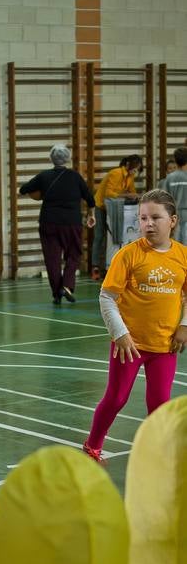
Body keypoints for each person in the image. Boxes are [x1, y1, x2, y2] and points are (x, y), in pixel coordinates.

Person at [83, 189, 187, 463]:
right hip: (129, 345)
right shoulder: (128, 255)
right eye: (143, 218)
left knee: (159, 403)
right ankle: (93, 445)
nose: (148, 223)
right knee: (116, 398)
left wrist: (184, 326)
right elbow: (107, 297)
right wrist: (120, 334)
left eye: (156, 217)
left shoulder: (183, 256)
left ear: (173, 220)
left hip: (165, 345)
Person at [19, 145, 95, 306]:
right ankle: (67, 285)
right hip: (72, 223)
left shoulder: (44, 176)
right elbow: (90, 198)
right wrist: (91, 215)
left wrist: (41, 192)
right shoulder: (75, 176)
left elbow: (23, 189)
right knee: (74, 254)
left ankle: (57, 293)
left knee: (52, 259)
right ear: (67, 158)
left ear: (51, 158)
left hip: (49, 222)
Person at [91, 154, 142, 280]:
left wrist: (137, 196)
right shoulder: (116, 173)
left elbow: (131, 192)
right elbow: (109, 194)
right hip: (101, 207)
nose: (136, 172)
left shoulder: (130, 177)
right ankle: (95, 267)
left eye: (138, 170)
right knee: (99, 236)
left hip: (114, 209)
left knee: (111, 238)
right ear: (128, 165)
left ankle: (107, 266)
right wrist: (126, 195)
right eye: (135, 169)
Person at [161, 147, 187, 245]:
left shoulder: (169, 178)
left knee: (175, 245)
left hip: (173, 217)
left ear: (175, 160)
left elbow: (163, 200)